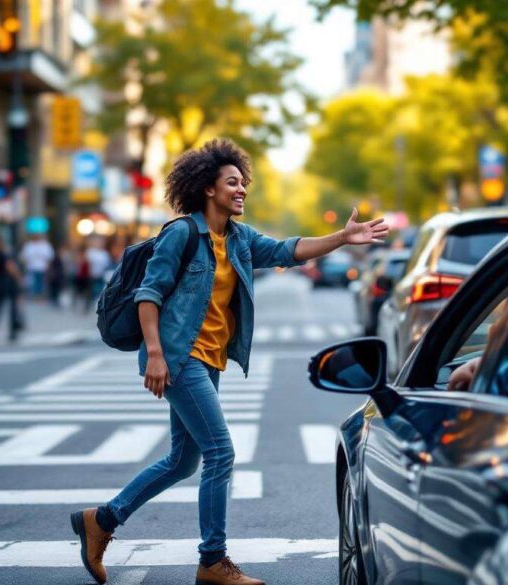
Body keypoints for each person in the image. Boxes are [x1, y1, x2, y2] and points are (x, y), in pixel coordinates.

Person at [69, 138, 389, 585]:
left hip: (210, 360)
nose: (241, 190)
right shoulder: (181, 233)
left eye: (243, 183)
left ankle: (101, 520)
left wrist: (342, 237)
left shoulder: (238, 239)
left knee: (184, 461)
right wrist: (156, 356)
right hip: (181, 358)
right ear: (207, 189)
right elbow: (149, 294)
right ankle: (212, 560)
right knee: (221, 452)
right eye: (232, 183)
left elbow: (287, 251)